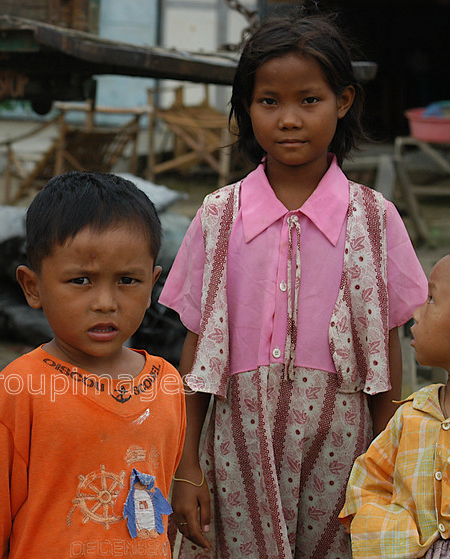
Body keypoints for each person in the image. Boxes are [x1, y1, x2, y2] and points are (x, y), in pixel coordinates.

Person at [160, 13, 427, 559]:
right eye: (268, 102)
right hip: (235, 444)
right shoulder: (218, 216)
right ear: (246, 108)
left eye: (309, 100)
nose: (289, 119)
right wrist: (187, 466)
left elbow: (389, 352)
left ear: (344, 101)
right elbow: (195, 347)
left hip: (344, 449)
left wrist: (387, 466)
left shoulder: (376, 220)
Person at [0, 172, 186, 559]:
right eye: (81, 280)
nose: (105, 302)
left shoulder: (166, 384)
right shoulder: (17, 389)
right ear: (32, 287)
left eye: (127, 280)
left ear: (153, 285)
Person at [340, 255, 450, 559]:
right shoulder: (411, 414)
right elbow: (367, 484)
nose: (416, 313)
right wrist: (390, 533)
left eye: (431, 299)